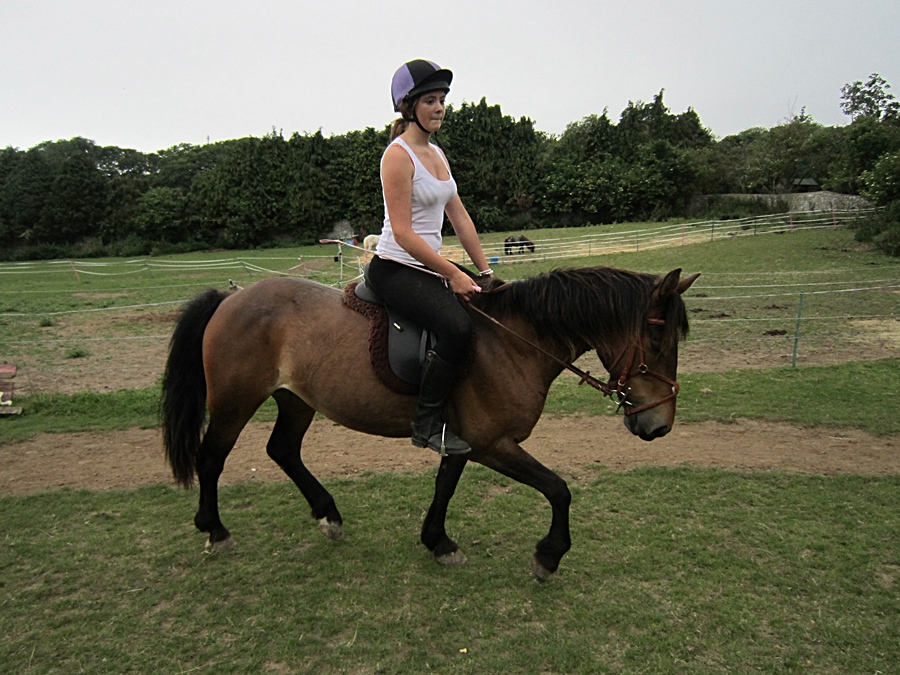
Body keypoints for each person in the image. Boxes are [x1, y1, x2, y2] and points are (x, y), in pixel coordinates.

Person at [366, 59, 494, 455]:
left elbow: (460, 216)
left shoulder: (437, 154)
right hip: (396, 268)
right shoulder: (398, 156)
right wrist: (453, 274)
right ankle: (426, 425)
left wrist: (485, 271)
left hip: (427, 266)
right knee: (456, 328)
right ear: (408, 107)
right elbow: (403, 234)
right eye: (430, 101)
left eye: (442, 100)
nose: (439, 108)